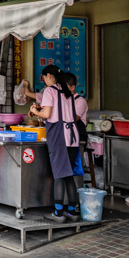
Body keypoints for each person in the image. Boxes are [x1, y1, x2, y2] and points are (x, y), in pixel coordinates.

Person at [29, 65, 80, 223]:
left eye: (43, 78)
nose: (43, 81)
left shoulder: (49, 91)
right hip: (72, 137)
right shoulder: (68, 93)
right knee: (68, 175)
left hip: (59, 136)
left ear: (49, 76)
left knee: (59, 175)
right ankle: (72, 211)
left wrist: (35, 111)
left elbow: (47, 114)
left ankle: (58, 213)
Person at [65, 72, 88, 179]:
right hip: (66, 137)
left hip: (78, 138)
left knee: (72, 169)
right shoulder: (64, 101)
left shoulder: (80, 101)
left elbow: (73, 119)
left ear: (72, 87)